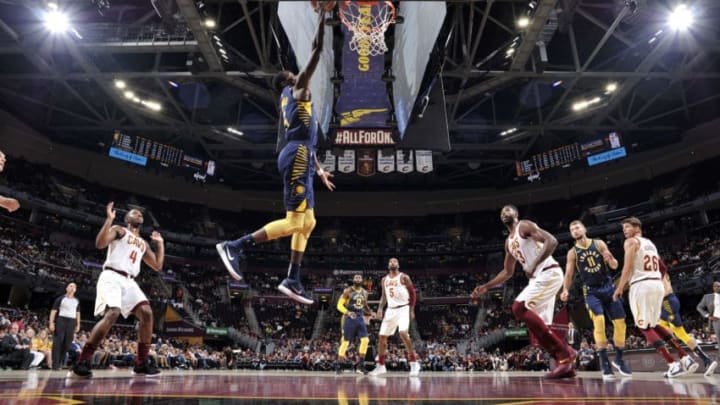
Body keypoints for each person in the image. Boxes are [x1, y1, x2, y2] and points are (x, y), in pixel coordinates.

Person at [215, 9, 335, 305]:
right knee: (295, 222)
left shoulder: (288, 102)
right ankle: (235, 245)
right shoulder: (296, 92)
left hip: (302, 155)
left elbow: (305, 137)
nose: (299, 77)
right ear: (289, 81)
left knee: (308, 222)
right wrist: (323, 19)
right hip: (296, 157)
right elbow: (316, 52)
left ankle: (293, 278)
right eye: (295, 77)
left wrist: (318, 170)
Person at [471, 205, 577, 379]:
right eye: (502, 212)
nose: (504, 213)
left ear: (516, 214)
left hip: (548, 272)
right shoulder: (508, 242)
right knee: (538, 328)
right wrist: (487, 286)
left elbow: (552, 241)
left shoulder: (525, 226)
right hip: (539, 278)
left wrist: (533, 264)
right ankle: (565, 365)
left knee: (518, 307)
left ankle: (565, 353)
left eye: (508, 210)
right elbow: (507, 272)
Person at [69, 202, 164, 378]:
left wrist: (160, 244)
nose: (139, 215)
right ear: (127, 218)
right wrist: (109, 220)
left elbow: (158, 266)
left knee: (147, 313)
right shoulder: (120, 230)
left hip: (129, 280)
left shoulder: (143, 243)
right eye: (134, 213)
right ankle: (83, 361)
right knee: (113, 313)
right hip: (112, 275)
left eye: (140, 214)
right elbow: (100, 243)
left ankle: (141, 363)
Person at [612, 217, 698, 378]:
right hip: (656, 285)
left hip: (641, 285)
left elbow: (628, 267)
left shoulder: (631, 242)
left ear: (637, 228)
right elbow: (663, 268)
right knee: (654, 323)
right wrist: (655, 280)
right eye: (623, 228)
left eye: (627, 227)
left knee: (643, 326)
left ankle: (672, 364)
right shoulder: (650, 243)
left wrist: (619, 288)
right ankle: (685, 357)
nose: (625, 230)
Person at [560, 220, 630, 379]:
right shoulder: (572, 252)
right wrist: (565, 289)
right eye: (572, 230)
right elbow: (569, 274)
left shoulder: (598, 244)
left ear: (584, 229)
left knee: (620, 322)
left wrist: (610, 259)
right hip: (591, 291)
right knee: (599, 322)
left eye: (577, 227)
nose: (575, 231)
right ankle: (605, 365)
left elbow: (614, 265)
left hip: (608, 287)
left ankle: (619, 359)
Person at [370, 258, 420, 376]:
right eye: (390, 262)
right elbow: (384, 296)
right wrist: (380, 309)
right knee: (382, 337)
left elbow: (413, 294)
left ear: (398, 265)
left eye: (395, 261)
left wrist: (411, 310)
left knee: (403, 333)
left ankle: (414, 363)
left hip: (403, 308)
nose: (392, 263)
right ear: (388, 265)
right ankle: (381, 366)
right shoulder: (384, 280)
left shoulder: (404, 277)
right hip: (390, 310)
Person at [335, 274, 374, 374]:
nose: (357, 279)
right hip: (349, 317)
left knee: (365, 340)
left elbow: (364, 306)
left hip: (360, 317)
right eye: (356, 278)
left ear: (362, 280)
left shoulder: (365, 292)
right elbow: (339, 305)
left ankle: (360, 366)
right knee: (345, 342)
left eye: (359, 278)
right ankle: (339, 366)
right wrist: (347, 312)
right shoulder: (347, 291)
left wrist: (371, 312)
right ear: (353, 280)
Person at [49, 282, 80, 370]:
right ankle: (55, 364)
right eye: (70, 286)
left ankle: (60, 362)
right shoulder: (60, 299)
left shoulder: (76, 300)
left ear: (76, 290)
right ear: (66, 288)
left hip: (72, 321)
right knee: (58, 341)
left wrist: (78, 324)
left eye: (74, 286)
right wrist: (51, 323)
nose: (72, 287)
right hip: (61, 320)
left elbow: (78, 313)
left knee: (67, 343)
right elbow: (53, 311)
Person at [696, 281, 720, 376]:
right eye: (717, 286)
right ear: (713, 287)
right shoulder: (707, 297)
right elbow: (699, 307)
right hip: (716, 321)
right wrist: (707, 315)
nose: (719, 287)